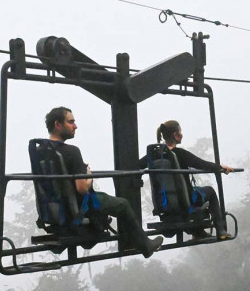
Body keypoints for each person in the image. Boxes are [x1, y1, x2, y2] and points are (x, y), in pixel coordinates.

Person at [43, 106, 163, 258]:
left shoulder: (43, 151)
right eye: (71, 122)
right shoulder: (71, 151)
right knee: (123, 204)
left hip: (57, 208)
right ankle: (145, 245)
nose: (75, 126)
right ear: (58, 125)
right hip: (81, 204)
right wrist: (89, 175)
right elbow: (82, 188)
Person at [140, 120, 235, 240]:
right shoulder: (180, 153)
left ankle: (198, 232)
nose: (182, 135)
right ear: (176, 135)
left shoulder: (152, 156)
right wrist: (221, 167)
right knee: (210, 191)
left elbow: (137, 165)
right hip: (186, 202)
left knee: (197, 192)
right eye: (180, 133)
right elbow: (203, 164)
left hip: (164, 205)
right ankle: (221, 230)